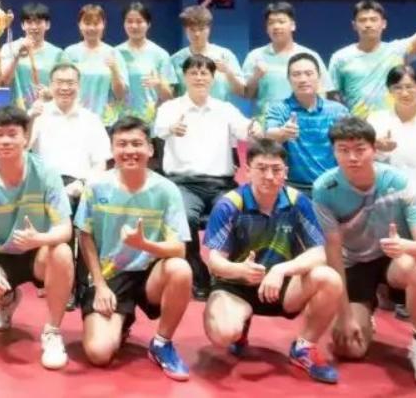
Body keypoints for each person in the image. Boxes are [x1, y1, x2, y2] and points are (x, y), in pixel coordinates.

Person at [314, 117, 416, 387]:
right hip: (356, 262)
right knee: (349, 350)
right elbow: (333, 253)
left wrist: (403, 247)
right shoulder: (324, 189)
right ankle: (366, 309)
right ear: (334, 152)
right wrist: (344, 315)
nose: (352, 157)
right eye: (343, 150)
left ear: (374, 149)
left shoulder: (401, 183)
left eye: (360, 149)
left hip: (395, 260)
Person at [202, 138, 342, 384]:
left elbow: (319, 253)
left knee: (329, 278)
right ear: (247, 171)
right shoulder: (229, 204)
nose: (269, 176)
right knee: (223, 334)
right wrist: (240, 270)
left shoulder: (298, 201)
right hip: (236, 286)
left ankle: (304, 348)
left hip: (281, 287)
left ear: (285, 172)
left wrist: (281, 269)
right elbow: (215, 261)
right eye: (261, 168)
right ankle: (239, 329)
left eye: (276, 169)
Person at [0, 105, 75, 371]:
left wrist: (39, 239)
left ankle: (53, 332)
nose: (6, 141)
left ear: (25, 137)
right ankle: (7, 300)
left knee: (63, 252)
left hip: (39, 252)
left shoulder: (46, 174)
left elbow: (65, 229)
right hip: (0, 254)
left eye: (12, 134)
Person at [77, 116, 193, 380]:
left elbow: (179, 249)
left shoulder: (167, 190)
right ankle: (122, 321)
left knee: (180, 269)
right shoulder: (95, 187)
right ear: (112, 149)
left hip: (150, 273)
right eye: (122, 144)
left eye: (137, 144)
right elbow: (85, 236)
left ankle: (162, 343)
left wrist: (145, 245)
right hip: (111, 275)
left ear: (150, 149)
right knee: (98, 353)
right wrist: (99, 285)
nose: (130, 150)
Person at [152, 53, 251, 298]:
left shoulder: (225, 109)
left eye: (204, 73)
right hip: (183, 184)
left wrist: (257, 127)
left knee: (239, 214)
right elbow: (159, 130)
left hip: (221, 184)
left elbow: (245, 130)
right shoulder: (170, 108)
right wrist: (172, 128)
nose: (199, 77)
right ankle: (199, 275)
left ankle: (228, 273)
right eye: (193, 73)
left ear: (213, 78)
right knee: (183, 218)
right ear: (184, 77)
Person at [28, 63, 111, 308]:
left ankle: (85, 285)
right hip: (46, 186)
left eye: (70, 83)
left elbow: (100, 163)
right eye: (59, 82)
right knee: (60, 212)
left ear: (79, 86)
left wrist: (85, 185)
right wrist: (30, 118)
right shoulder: (39, 115)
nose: (65, 87)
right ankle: (61, 284)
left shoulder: (91, 119)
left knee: (88, 216)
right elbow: (23, 151)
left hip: (82, 184)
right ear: (50, 85)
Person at [263, 53, 350, 193]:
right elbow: (269, 135)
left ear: (319, 77)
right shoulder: (279, 108)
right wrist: (283, 133)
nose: (303, 79)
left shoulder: (338, 111)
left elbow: (350, 145)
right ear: (288, 79)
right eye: (296, 74)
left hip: (332, 187)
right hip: (292, 189)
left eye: (309, 74)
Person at [242, 1, 333, 124]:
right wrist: (256, 76)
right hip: (267, 123)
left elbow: (321, 91)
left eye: (281, 22)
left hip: (303, 122)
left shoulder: (310, 56)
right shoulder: (255, 56)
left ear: (293, 25)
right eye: (271, 23)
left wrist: (318, 119)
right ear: (266, 28)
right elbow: (247, 95)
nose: (276, 26)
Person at [61, 4, 130, 127]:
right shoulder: (69, 53)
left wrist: (114, 69)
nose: (92, 28)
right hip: (75, 120)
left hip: (106, 122)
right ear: (79, 25)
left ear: (103, 25)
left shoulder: (113, 53)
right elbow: (61, 87)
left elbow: (121, 94)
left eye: (96, 23)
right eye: (87, 23)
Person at [169, 5, 246, 113]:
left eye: (201, 29)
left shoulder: (225, 55)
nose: (197, 34)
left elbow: (242, 92)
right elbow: (170, 96)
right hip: (187, 115)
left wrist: (228, 72)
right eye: (192, 29)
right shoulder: (175, 60)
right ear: (186, 30)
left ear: (209, 29)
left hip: (220, 115)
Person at [113, 1, 177, 126]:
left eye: (139, 21)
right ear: (124, 24)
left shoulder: (161, 54)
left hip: (151, 123)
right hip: (121, 123)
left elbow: (170, 98)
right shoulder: (115, 53)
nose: (134, 26)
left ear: (148, 24)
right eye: (129, 21)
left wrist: (159, 84)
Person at [0, 2, 64, 110]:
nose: (34, 27)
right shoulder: (8, 48)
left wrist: (50, 93)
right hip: (14, 114)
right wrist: (17, 55)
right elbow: (2, 83)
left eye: (38, 22)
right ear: (22, 25)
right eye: (29, 22)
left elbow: (62, 87)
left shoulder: (58, 53)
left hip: (44, 111)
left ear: (47, 25)